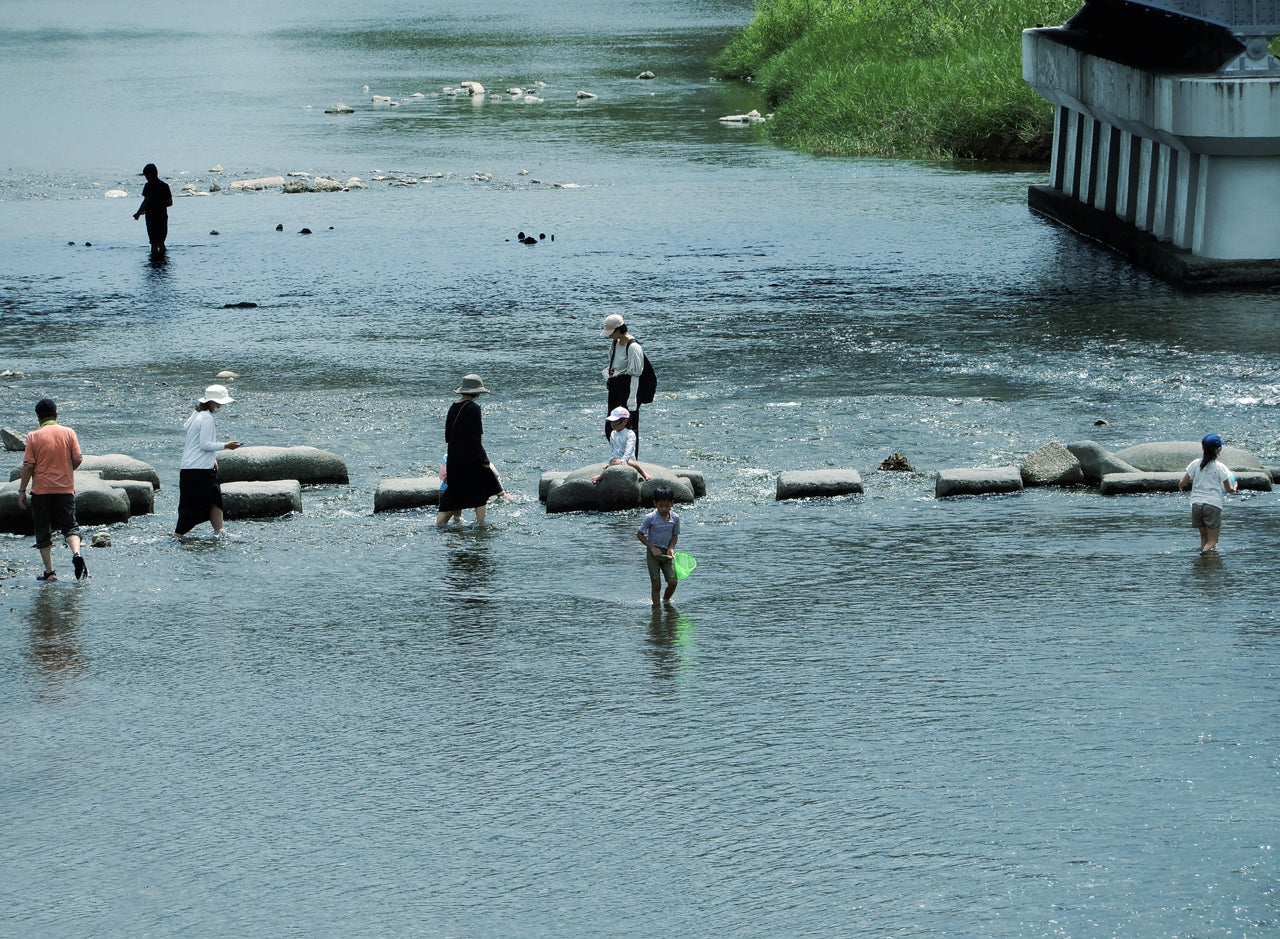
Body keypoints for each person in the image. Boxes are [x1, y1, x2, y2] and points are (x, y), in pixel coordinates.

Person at [17, 398, 87, 582]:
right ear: (56, 415)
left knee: (42, 530)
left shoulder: (33, 436)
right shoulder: (69, 432)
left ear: (38, 417)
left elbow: (28, 466)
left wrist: (22, 491)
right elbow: (78, 458)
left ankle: (50, 572)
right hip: (65, 489)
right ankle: (77, 554)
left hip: (41, 491)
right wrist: (66, 469)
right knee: (70, 526)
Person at [436, 374, 504, 527]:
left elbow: (447, 436)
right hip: (471, 458)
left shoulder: (453, 407)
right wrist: (484, 460)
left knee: (453, 494)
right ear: (477, 392)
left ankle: (442, 525)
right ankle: (481, 526)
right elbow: (476, 438)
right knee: (480, 492)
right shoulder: (474, 408)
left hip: (453, 458)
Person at [174, 384, 241, 538]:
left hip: (194, 467)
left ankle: (220, 531)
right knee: (192, 506)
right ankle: (177, 536)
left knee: (215, 498)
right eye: (219, 403)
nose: (220, 406)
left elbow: (195, 438)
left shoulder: (196, 414)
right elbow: (205, 445)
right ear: (211, 402)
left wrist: (213, 459)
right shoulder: (207, 418)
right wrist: (227, 445)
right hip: (199, 470)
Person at [1179, 433, 1237, 553]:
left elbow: (1183, 482)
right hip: (1212, 505)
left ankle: (1204, 566)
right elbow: (1228, 489)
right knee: (1213, 541)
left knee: (1204, 538)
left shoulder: (1195, 464)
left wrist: (1180, 486)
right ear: (1219, 449)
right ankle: (1203, 556)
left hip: (1196, 505)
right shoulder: (1220, 467)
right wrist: (1234, 488)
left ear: (1202, 448)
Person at [601, 313, 645, 456]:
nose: (609, 336)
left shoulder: (633, 347)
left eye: (610, 333)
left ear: (619, 329)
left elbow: (635, 375)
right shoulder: (615, 344)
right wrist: (608, 376)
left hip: (628, 390)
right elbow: (613, 365)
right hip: (615, 388)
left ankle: (631, 459)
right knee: (610, 426)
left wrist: (632, 400)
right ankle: (617, 455)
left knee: (629, 428)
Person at [637, 486, 681, 606]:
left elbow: (675, 536)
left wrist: (671, 548)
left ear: (672, 504)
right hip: (653, 554)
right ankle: (656, 609)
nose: (664, 509)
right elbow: (640, 534)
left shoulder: (675, 518)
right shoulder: (650, 518)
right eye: (661, 506)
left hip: (667, 554)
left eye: (667, 506)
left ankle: (666, 602)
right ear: (655, 503)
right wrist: (652, 547)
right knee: (656, 584)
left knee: (673, 582)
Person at [592, 406, 651, 483]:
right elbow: (613, 449)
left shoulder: (630, 434)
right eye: (611, 422)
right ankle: (602, 475)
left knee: (631, 462)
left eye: (615, 422)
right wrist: (609, 462)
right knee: (614, 461)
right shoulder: (613, 434)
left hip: (628, 458)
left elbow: (629, 449)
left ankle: (644, 473)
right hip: (616, 458)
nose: (612, 424)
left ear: (625, 422)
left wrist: (624, 460)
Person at [133, 163, 173, 257]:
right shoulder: (165, 186)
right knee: (161, 242)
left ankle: (154, 263)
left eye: (146, 176)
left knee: (154, 243)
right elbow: (170, 203)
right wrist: (159, 206)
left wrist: (138, 213)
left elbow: (146, 201)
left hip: (151, 218)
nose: (146, 178)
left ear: (149, 175)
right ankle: (163, 262)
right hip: (162, 217)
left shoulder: (148, 186)